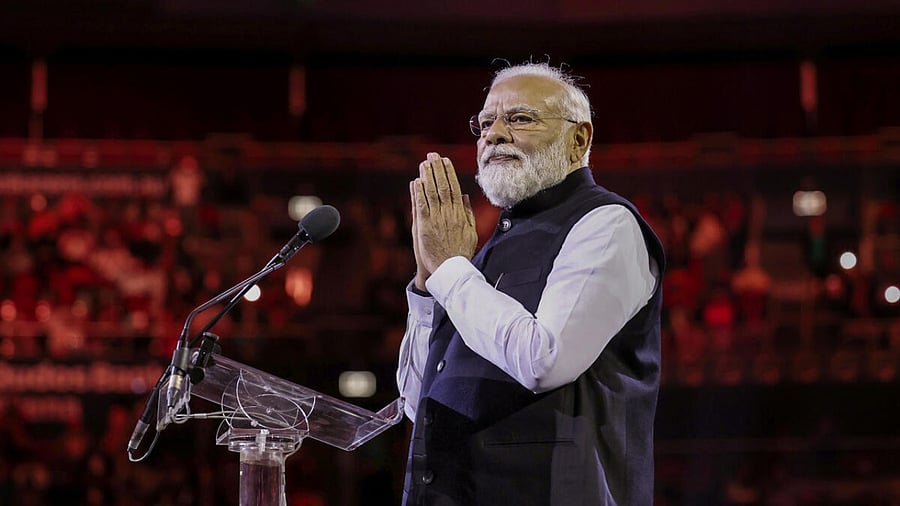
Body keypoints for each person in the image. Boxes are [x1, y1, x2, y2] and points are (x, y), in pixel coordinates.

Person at [396, 62, 666, 505]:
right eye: (484, 123)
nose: (493, 134)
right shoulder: (481, 254)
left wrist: (449, 270)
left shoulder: (607, 226)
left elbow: (546, 359)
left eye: (519, 118)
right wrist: (427, 288)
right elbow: (417, 402)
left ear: (579, 139)